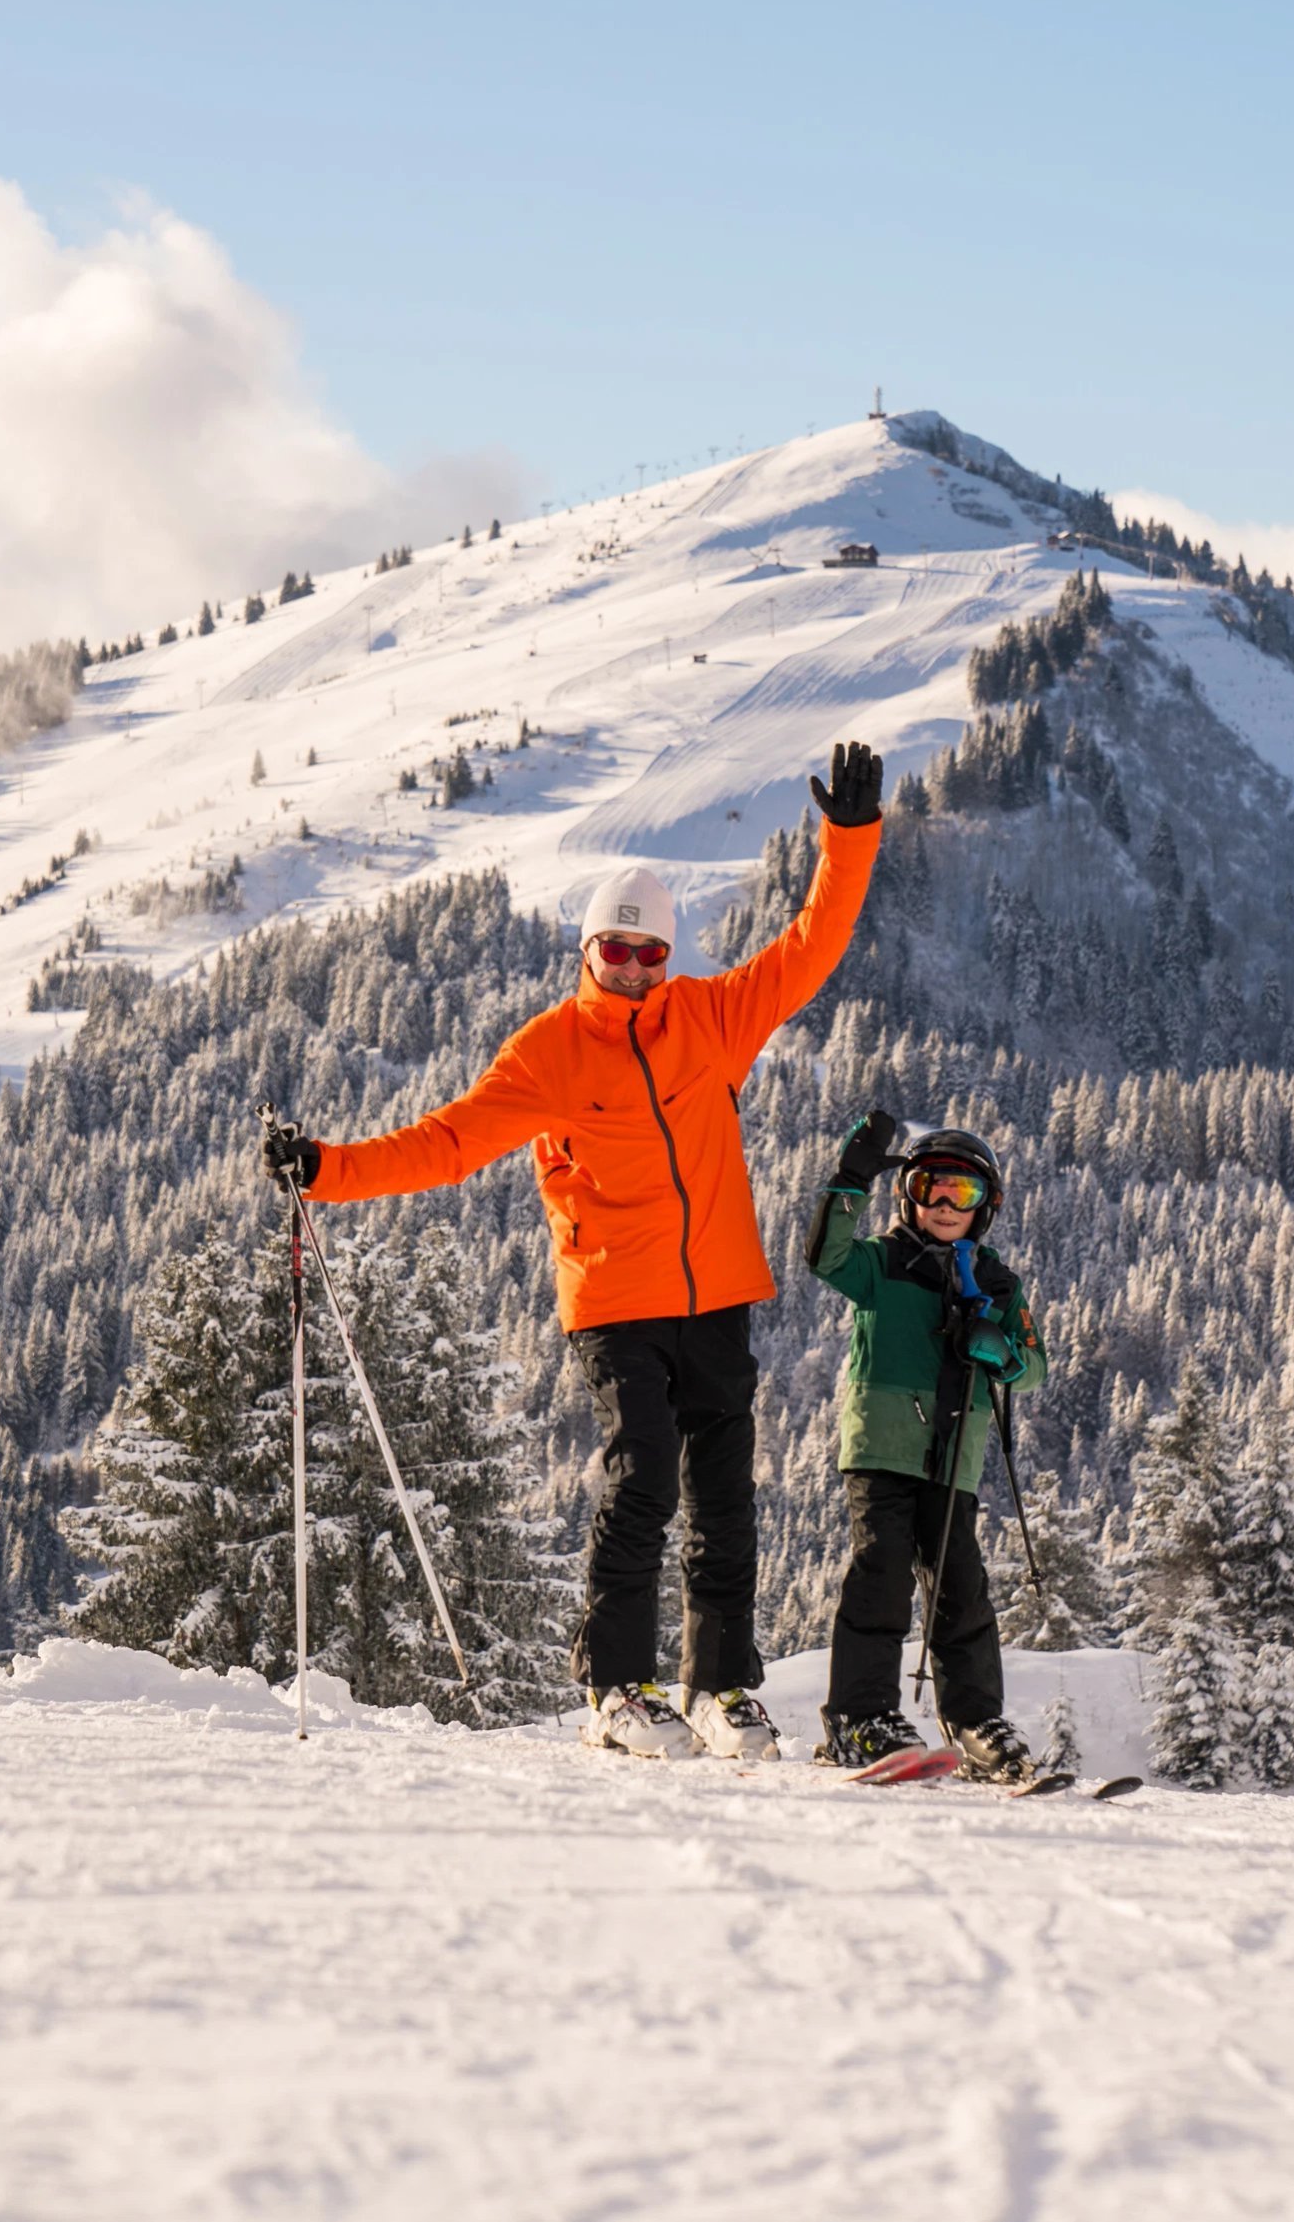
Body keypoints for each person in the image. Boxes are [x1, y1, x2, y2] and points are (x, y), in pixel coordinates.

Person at [263, 741, 884, 1760]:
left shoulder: (715, 1018)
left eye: (649, 952)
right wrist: (326, 1168)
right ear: (587, 949)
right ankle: (614, 1686)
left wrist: (848, 838)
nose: (633, 967)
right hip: (615, 1300)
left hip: (718, 1291)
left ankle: (719, 1688)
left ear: (668, 955)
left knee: (723, 1494)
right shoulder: (551, 1049)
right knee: (643, 1475)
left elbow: (812, 943)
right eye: (615, 948)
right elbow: (449, 1140)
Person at [805, 1109, 1047, 1779]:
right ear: (906, 1195)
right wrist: (849, 1181)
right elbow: (824, 1255)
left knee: (960, 1588)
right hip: (881, 1447)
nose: (943, 1204)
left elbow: (1034, 1365)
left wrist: (999, 1347)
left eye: (962, 1193)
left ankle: (974, 1720)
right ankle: (860, 1715)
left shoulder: (996, 1283)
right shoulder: (882, 1262)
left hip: (954, 1458)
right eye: (929, 1187)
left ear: (985, 1207)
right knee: (881, 1572)